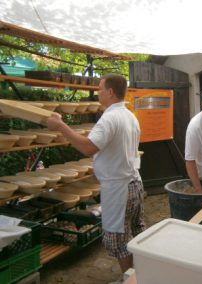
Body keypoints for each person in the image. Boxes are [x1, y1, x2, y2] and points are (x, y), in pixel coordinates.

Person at [43, 73, 145, 275]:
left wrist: (62, 126)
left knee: (118, 238)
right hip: (134, 183)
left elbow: (88, 148)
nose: (97, 93)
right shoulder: (129, 115)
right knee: (136, 231)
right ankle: (141, 274)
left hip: (119, 188)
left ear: (110, 92)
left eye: (99, 89)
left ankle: (130, 279)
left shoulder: (110, 118)